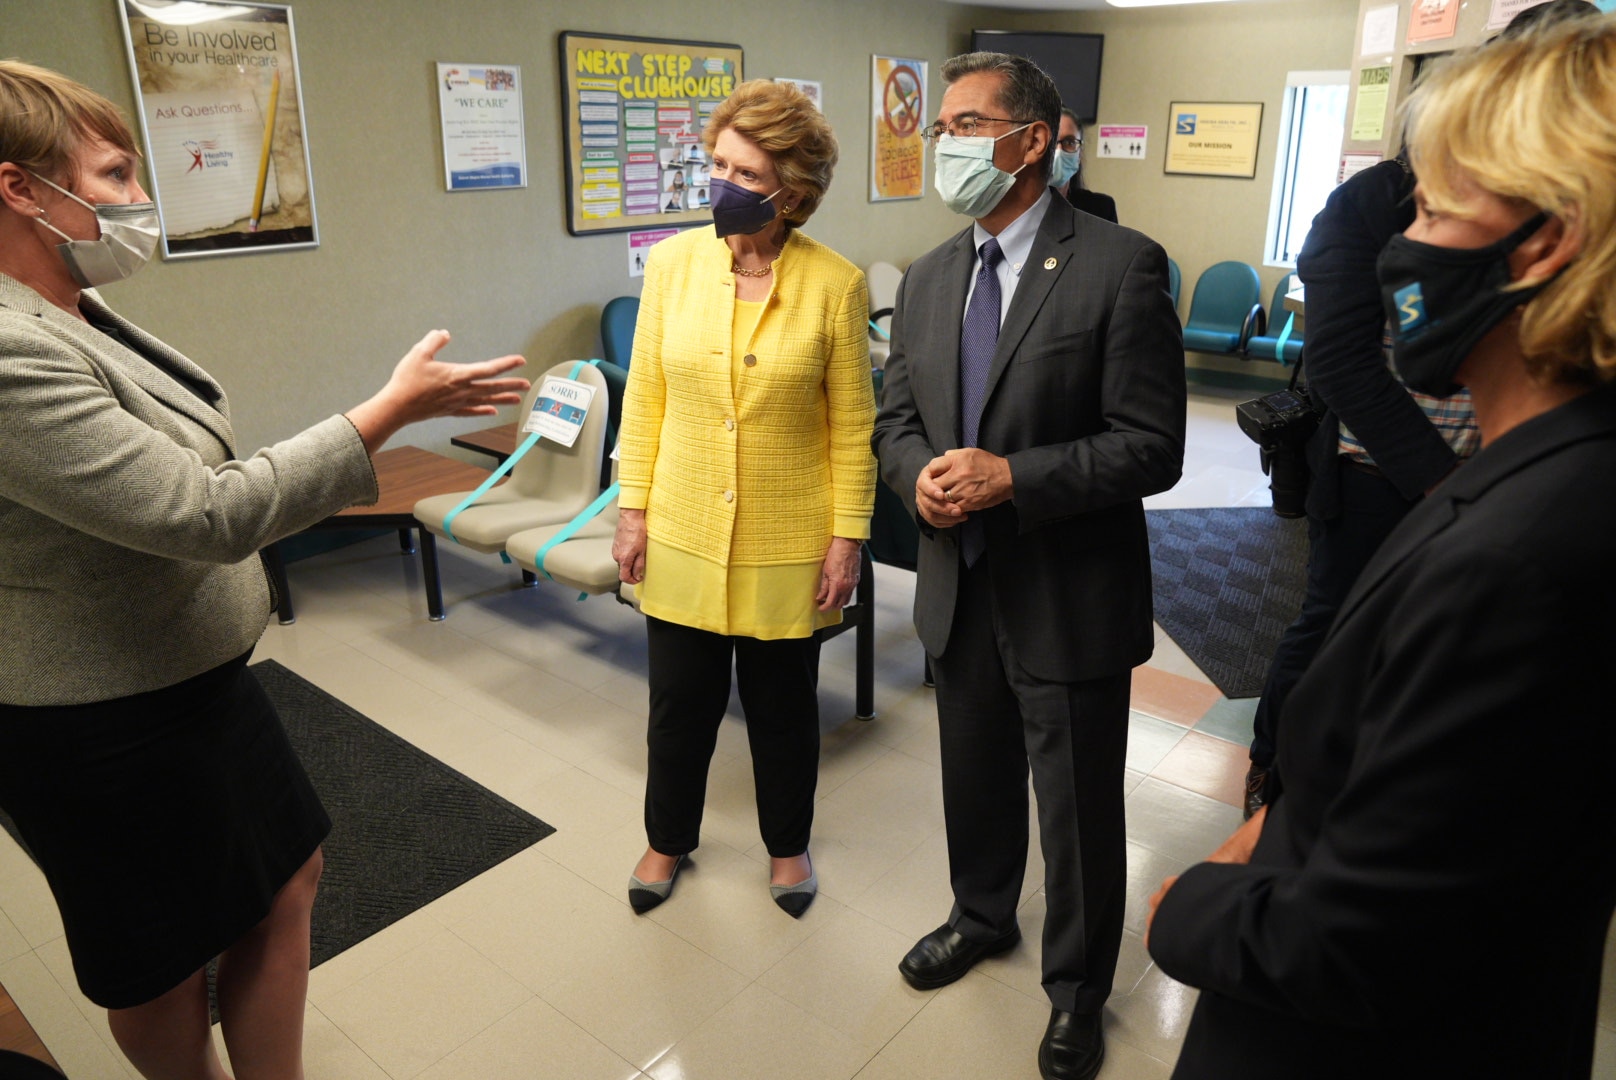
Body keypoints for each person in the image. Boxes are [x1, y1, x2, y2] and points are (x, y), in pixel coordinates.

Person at [0, 62, 528, 1079]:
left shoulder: (69, 307)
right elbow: (204, 511)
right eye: (111, 174)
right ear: (21, 187)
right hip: (98, 720)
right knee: (161, 964)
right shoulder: (10, 351)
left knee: (290, 878)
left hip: (197, 679)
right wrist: (387, 411)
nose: (135, 200)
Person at [1147, 15, 1616, 1078]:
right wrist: (1276, 823)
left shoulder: (1517, 557)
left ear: (1544, 242)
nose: (1403, 242)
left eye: (1438, 209)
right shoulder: (1541, 485)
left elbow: (1362, 945)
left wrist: (1189, 907)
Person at [872, 52, 1184, 1080]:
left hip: (1068, 592)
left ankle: (1078, 989)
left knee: (1078, 809)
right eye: (942, 127)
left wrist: (1015, 476)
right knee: (974, 782)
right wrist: (914, 476)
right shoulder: (924, 279)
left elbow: (1151, 446)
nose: (944, 144)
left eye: (964, 124)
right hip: (959, 587)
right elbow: (898, 419)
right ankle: (979, 915)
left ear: (1032, 140)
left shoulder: (1118, 265)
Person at [1240, 0, 1602, 824]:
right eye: (1430, 207)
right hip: (1380, 471)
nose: (1425, 229)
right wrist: (1446, 484)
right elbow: (1341, 361)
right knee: (1333, 627)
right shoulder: (1365, 207)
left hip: (1491, 482)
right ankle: (1272, 773)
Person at [612, 79, 875, 920]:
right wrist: (632, 506)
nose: (718, 180)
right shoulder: (674, 264)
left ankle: (788, 847)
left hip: (789, 533)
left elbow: (852, 427)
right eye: (715, 161)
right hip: (683, 519)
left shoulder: (836, 285)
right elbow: (645, 394)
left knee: (783, 709)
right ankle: (667, 838)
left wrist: (849, 538)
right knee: (678, 705)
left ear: (789, 191)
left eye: (741, 169)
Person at [1053, 108, 1116, 224]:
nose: (1059, 151)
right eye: (1051, 141)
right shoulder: (1014, 207)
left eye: (1069, 142)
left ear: (1080, 153)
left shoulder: (1101, 209)